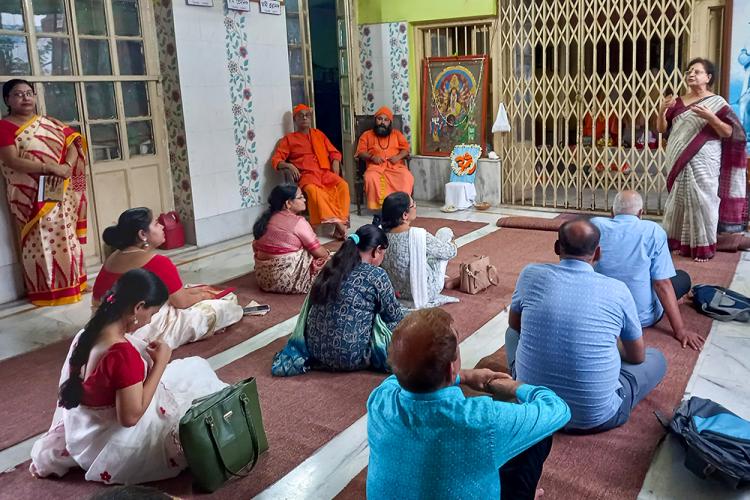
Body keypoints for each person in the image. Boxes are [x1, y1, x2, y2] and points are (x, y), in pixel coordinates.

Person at [30, 269, 228, 484]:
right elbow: (130, 418)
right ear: (138, 307)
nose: (149, 320)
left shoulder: (87, 333)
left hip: (84, 435)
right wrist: (160, 364)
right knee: (201, 381)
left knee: (191, 367)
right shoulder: (121, 354)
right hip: (115, 449)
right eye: (151, 313)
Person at [367, 308, 570, 500]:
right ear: (450, 368)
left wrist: (465, 376)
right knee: (537, 434)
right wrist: (512, 387)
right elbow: (558, 409)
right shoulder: (482, 420)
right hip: (486, 418)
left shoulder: (379, 400)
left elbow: (399, 377)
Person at [505, 219, 667, 433]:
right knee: (656, 359)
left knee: (510, 334)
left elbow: (515, 326)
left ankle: (525, 376)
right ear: (598, 253)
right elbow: (637, 356)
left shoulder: (530, 274)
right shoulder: (618, 290)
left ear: (556, 248)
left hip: (532, 406)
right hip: (594, 418)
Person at [92, 207, 242, 348]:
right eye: (156, 224)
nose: (162, 227)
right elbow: (182, 302)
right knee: (225, 305)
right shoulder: (158, 262)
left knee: (189, 289)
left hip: (102, 326)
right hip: (136, 329)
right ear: (142, 234)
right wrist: (205, 296)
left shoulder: (113, 256)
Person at [271, 224, 405, 375]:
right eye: (383, 254)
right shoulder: (376, 274)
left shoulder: (331, 267)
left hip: (315, 351)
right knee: (404, 324)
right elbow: (395, 317)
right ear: (377, 251)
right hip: (351, 357)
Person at [0, 79, 88, 306]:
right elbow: (12, 160)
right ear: (7, 99)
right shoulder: (4, 127)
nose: (26, 98)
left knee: (66, 235)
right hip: (30, 196)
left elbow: (73, 142)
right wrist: (48, 167)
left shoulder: (48, 122)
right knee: (39, 241)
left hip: (59, 189)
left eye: (29, 93)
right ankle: (46, 291)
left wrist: (67, 167)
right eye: (18, 94)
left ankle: (74, 282)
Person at [658, 57, 749, 262]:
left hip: (705, 158)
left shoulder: (717, 102)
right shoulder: (678, 102)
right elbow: (662, 130)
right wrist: (662, 110)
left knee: (703, 201)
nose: (691, 74)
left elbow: (729, 132)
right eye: (689, 71)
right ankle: (678, 243)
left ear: (708, 77)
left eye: (697, 71)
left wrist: (711, 118)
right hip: (677, 155)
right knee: (678, 200)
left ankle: (703, 247)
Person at [592, 191, 704, 350]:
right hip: (641, 318)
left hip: (600, 313)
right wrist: (680, 330)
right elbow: (662, 284)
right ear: (641, 213)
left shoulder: (594, 226)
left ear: (612, 212)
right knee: (682, 278)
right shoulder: (653, 231)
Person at [271, 104, 350, 240]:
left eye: (307, 115)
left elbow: (334, 152)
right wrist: (289, 165)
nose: (305, 118)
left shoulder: (319, 134)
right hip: (307, 176)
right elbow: (276, 159)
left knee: (343, 185)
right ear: (295, 119)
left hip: (325, 173)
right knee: (314, 192)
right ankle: (339, 225)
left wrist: (336, 161)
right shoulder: (289, 139)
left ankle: (339, 223)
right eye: (300, 115)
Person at [378, 192, 458, 308]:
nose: (415, 206)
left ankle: (446, 279)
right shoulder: (418, 235)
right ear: (405, 215)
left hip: (396, 292)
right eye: (413, 205)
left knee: (424, 253)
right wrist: (453, 244)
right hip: (424, 292)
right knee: (444, 232)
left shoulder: (380, 235)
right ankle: (443, 280)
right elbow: (450, 253)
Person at [252, 184, 330, 294]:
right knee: (335, 264)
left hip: (264, 279)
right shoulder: (298, 222)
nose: (304, 199)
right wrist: (329, 256)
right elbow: (319, 253)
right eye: (300, 197)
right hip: (287, 281)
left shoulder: (266, 219)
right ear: (288, 203)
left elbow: (255, 247)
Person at [355, 106, 414, 209]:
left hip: (395, 167)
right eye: (380, 119)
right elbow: (360, 152)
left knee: (406, 176)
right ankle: (380, 207)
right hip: (375, 167)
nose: (382, 122)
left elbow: (406, 149)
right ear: (375, 120)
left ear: (390, 123)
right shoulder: (366, 135)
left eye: (386, 120)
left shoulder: (396, 134)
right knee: (370, 177)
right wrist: (372, 157)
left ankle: (402, 205)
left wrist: (398, 157)